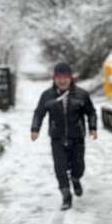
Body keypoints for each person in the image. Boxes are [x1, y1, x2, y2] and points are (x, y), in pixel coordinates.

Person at [31, 62, 98, 211]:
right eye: (58, 77)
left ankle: (75, 179)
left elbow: (91, 112)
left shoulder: (81, 94)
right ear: (54, 79)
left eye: (65, 77)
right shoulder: (47, 95)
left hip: (77, 138)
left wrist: (93, 128)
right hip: (57, 138)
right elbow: (39, 112)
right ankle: (66, 196)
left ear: (70, 78)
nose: (62, 81)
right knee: (60, 169)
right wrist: (35, 129)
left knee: (78, 166)